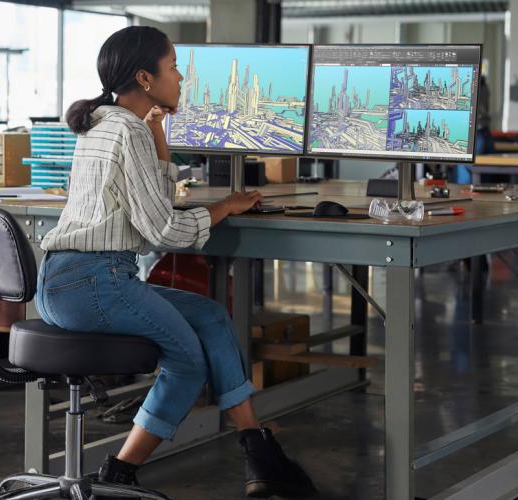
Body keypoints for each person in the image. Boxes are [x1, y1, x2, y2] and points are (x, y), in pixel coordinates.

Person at [38, 26, 317, 498]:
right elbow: (163, 230)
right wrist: (223, 207)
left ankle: (258, 451)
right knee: (187, 362)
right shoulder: (126, 132)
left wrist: (158, 133)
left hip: (74, 279)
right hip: (92, 282)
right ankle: (120, 472)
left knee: (209, 315)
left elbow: (153, 201)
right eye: (172, 67)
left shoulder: (112, 123)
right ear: (146, 79)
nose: (182, 75)